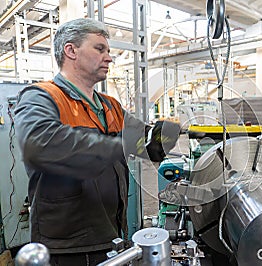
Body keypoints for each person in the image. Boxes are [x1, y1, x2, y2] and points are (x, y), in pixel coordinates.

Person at [14, 18, 180, 266]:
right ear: (71, 51)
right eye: (100, 49)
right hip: (67, 246)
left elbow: (146, 144)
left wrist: (168, 134)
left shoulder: (109, 106)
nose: (109, 58)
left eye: (109, 51)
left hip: (111, 234)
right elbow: (41, 145)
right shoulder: (41, 96)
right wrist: (120, 145)